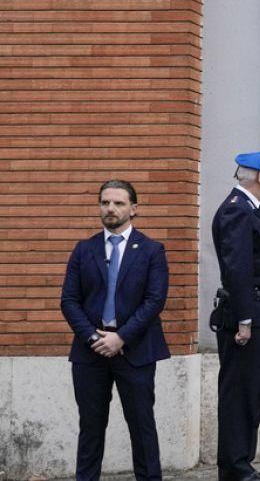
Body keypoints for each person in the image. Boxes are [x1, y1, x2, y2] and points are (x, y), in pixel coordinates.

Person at [60, 180, 170, 481]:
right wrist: (94, 337)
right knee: (91, 428)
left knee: (142, 427)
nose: (110, 208)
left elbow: (154, 300)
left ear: (133, 208)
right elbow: (69, 300)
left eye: (119, 203)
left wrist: (121, 337)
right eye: (105, 202)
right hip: (90, 352)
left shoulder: (151, 250)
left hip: (135, 351)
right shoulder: (84, 250)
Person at [212, 151, 260, 481]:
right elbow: (237, 268)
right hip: (248, 313)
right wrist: (244, 320)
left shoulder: (247, 209)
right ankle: (235, 468)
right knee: (239, 394)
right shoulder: (237, 211)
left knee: (251, 392)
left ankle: (241, 463)